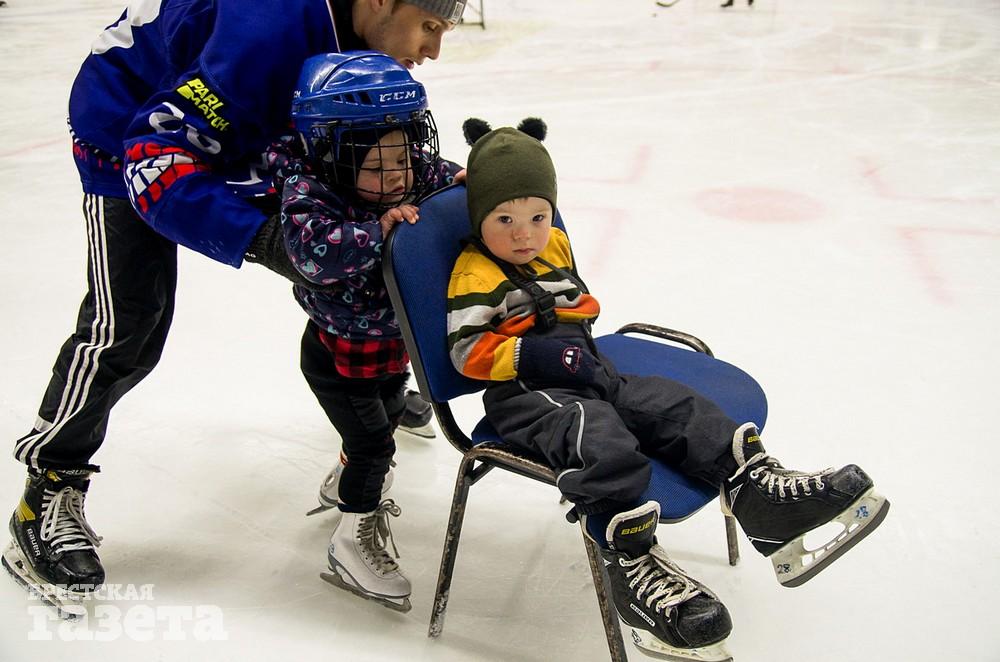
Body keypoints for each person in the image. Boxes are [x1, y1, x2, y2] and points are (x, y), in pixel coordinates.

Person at [4, 0, 467, 618]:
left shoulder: (331, 32)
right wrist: (263, 238)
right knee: (129, 324)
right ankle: (47, 489)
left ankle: (370, 386)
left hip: (232, 112)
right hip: (130, 133)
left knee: (355, 221)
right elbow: (155, 154)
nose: (433, 50)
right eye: (429, 26)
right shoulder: (265, 35)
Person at [446, 118, 890, 661]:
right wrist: (538, 354)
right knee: (597, 434)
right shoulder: (474, 273)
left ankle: (761, 501)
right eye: (504, 220)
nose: (524, 234)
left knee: (670, 403)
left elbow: (575, 300)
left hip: (586, 368)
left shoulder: (553, 243)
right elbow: (465, 352)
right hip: (526, 393)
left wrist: (577, 347)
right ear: (480, 216)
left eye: (538, 217)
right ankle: (630, 560)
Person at [266, 50, 461, 612]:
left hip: (392, 346)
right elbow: (314, 254)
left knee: (391, 410)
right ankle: (351, 539)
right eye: (377, 167)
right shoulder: (311, 190)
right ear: (331, 155)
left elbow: (441, 175)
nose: (397, 176)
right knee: (375, 445)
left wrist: (473, 183)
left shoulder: (404, 171)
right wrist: (378, 231)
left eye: (403, 157)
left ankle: (348, 474)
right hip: (337, 357)